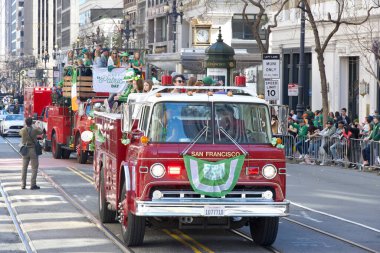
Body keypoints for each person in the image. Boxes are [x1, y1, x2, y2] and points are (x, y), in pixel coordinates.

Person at [19, 117, 43, 190]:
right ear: (31, 123)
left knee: (24, 168)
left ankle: (23, 184)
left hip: (25, 150)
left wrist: (25, 126)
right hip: (33, 150)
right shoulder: (34, 130)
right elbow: (41, 131)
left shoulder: (23, 130)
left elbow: (20, 133)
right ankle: (33, 184)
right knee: (34, 168)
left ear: (26, 123)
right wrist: (36, 126)